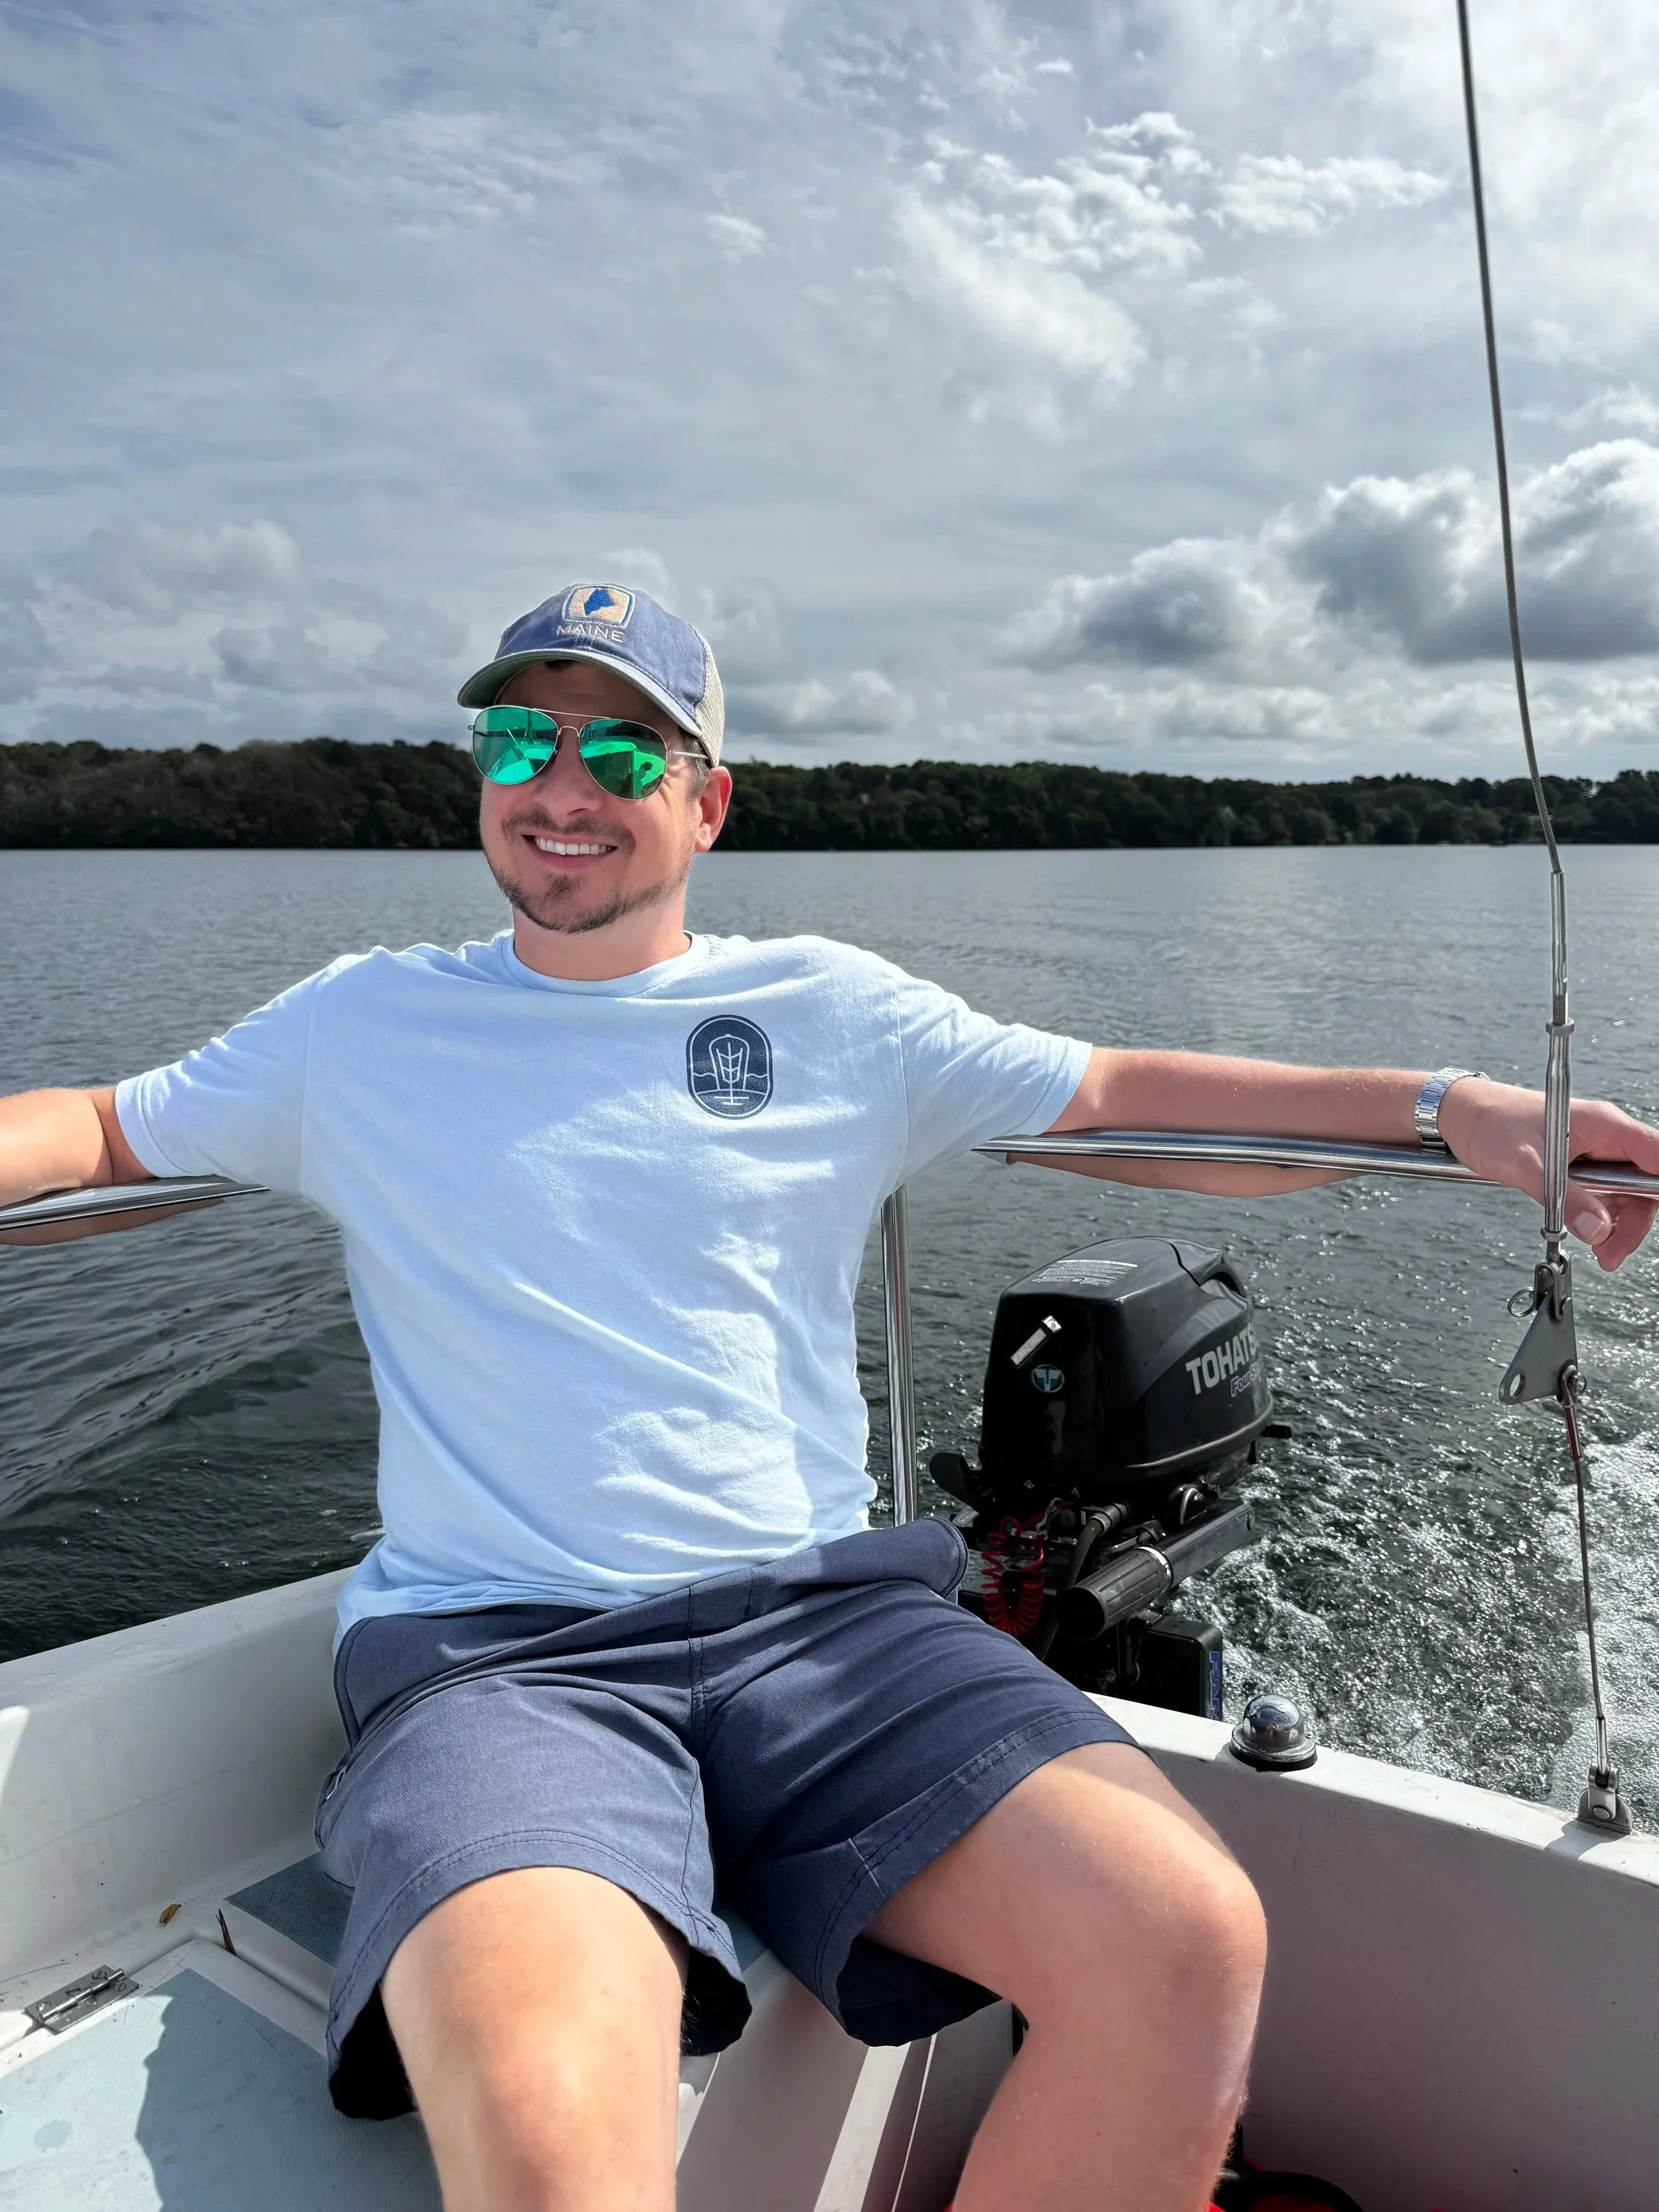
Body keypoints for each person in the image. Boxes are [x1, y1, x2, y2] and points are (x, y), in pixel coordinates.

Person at [2, 581, 1654, 2212]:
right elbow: (102, 1126)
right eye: (522, 738)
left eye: (625, 753)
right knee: (549, 2115)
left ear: (705, 801)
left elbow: (1119, 1099)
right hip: (503, 1656)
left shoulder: (833, 1012)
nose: (563, 787)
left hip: (826, 1630)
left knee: (1182, 1937)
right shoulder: (355, 1026)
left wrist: (1448, 1105)